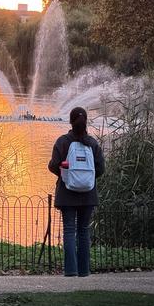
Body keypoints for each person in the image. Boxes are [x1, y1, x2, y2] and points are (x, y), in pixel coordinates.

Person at [48, 106, 105, 277]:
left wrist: (66, 176)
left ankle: (71, 270)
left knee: (69, 230)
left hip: (67, 194)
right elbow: (101, 169)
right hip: (88, 195)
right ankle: (84, 271)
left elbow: (52, 165)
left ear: (71, 122)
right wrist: (86, 180)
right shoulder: (93, 144)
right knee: (83, 231)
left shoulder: (63, 142)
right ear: (85, 122)